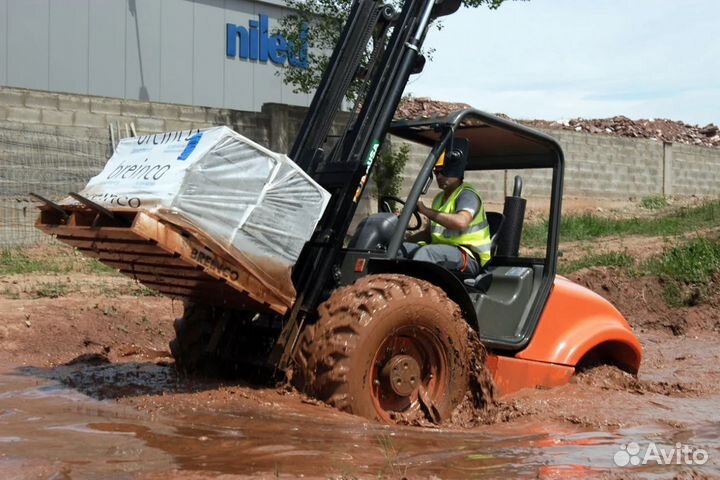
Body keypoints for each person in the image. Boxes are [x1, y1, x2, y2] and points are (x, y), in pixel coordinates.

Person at [403, 138, 491, 275]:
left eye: (442, 171)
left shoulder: (466, 195)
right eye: (436, 172)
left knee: (427, 253)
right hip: (443, 250)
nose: (438, 176)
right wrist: (402, 240)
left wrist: (425, 211)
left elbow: (461, 223)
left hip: (467, 255)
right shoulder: (439, 198)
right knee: (401, 249)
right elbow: (428, 234)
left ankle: (415, 294)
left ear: (454, 169)